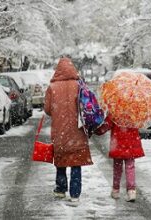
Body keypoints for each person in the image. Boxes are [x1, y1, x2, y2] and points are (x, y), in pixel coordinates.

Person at [44, 57, 93, 203]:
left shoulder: (52, 87)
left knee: (61, 159)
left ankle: (60, 189)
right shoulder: (79, 85)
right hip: (78, 129)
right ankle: (75, 194)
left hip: (60, 130)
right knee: (76, 161)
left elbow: (47, 110)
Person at [95, 114, 144, 202]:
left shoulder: (115, 110)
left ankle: (116, 190)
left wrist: (96, 131)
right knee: (130, 167)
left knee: (117, 167)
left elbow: (106, 125)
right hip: (131, 143)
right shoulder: (135, 110)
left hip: (118, 143)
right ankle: (131, 191)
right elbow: (140, 123)